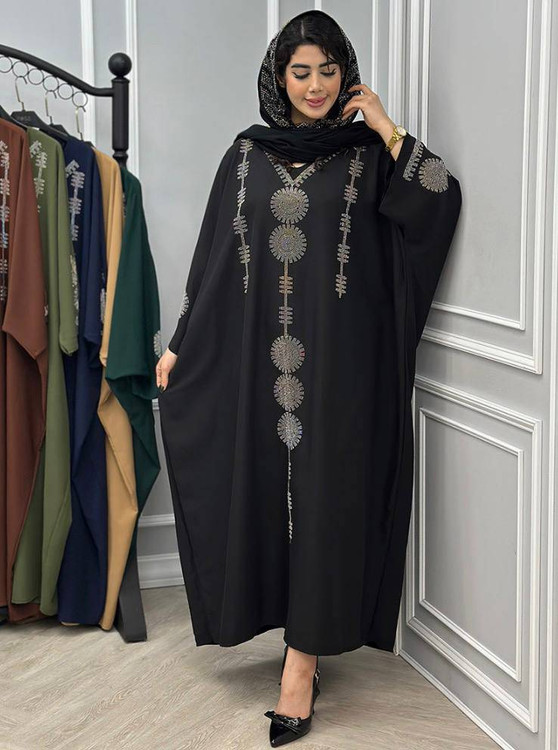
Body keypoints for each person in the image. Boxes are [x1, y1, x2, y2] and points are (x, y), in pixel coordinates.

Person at [157, 9, 462, 747]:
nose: (316, 85)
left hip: (343, 366)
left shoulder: (368, 155)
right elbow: (213, 258)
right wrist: (181, 343)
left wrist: (387, 127)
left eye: (329, 70)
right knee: (263, 489)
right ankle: (290, 638)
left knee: (328, 499)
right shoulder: (247, 155)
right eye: (302, 72)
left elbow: (438, 199)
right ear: (279, 77)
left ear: (345, 74)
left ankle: (302, 666)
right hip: (258, 360)